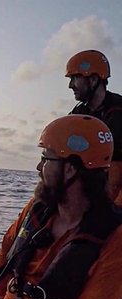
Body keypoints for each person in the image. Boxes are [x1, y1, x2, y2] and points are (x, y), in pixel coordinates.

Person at [0, 115, 122, 299]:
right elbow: (6, 254)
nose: (39, 168)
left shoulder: (114, 239)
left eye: (46, 158)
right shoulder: (37, 209)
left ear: (70, 169)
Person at [65, 50, 122, 206]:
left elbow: (115, 169)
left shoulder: (118, 110)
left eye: (75, 78)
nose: (70, 85)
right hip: (91, 192)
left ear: (93, 79)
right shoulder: (78, 114)